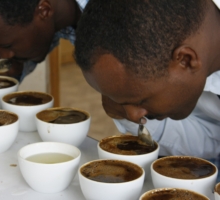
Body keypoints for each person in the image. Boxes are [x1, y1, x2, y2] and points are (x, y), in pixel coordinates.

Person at [74, 0, 220, 160]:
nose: (134, 115)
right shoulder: (189, 46)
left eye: (141, 101)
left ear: (185, 59)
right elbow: (212, 140)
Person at [0, 0, 88, 82]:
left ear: (44, 10)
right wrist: (14, 73)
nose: (3, 55)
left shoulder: (107, 14)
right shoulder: (55, 13)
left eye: (6, 45)